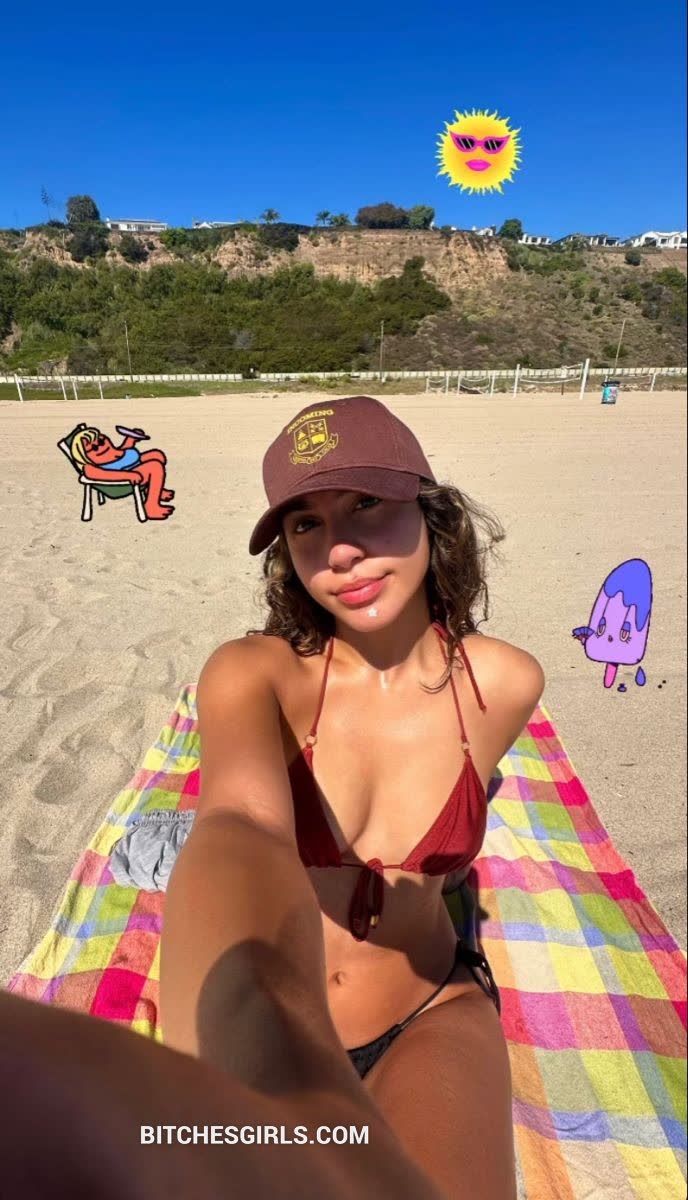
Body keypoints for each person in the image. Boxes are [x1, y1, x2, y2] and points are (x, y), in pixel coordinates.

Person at [160, 395, 545, 1198]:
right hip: (276, 1030)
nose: (338, 549)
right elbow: (236, 827)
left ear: (430, 510)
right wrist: (214, 1058)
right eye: (306, 523)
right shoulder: (254, 675)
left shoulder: (504, 684)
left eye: (366, 503)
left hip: (429, 1011)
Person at [70, 425, 175, 520]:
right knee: (154, 467)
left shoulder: (113, 453)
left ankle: (155, 491)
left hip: (132, 466)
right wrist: (128, 475)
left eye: (101, 441)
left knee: (157, 455)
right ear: (84, 456)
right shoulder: (90, 467)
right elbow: (95, 474)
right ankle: (151, 506)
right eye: (94, 448)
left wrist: (131, 439)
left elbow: (124, 450)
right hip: (123, 482)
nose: (101, 447)